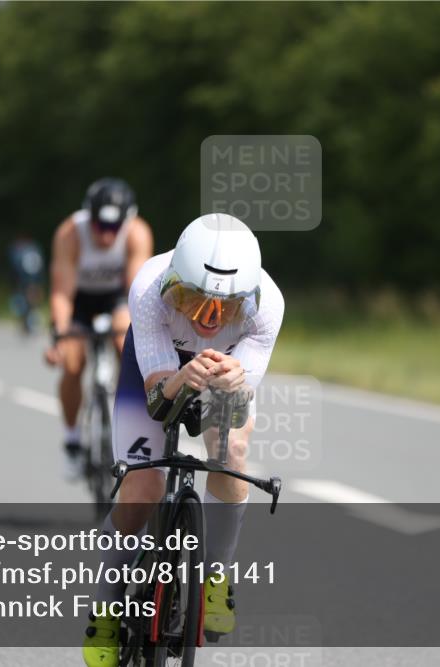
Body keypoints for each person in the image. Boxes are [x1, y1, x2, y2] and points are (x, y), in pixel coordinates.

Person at [82, 213, 284, 667]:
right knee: (143, 487)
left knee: (230, 451)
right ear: (175, 282)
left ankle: (215, 576)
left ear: (248, 298)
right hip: (156, 373)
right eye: (192, 299)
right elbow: (157, 400)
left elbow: (243, 391)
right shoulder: (149, 287)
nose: (208, 319)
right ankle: (107, 607)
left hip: (221, 371)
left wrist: (234, 381)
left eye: (227, 307)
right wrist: (178, 380)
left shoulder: (269, 304)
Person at [44, 178, 153, 480]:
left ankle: (127, 421)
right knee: (72, 361)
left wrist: (140, 339)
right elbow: (62, 292)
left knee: (125, 342)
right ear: (88, 216)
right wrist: (60, 335)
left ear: (127, 220)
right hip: (79, 299)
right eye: (99, 226)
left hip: (117, 297)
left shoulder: (137, 233)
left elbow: (136, 291)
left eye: (113, 228)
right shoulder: (70, 233)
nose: (105, 236)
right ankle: (72, 441)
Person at [8, 236, 45, 335]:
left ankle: (28, 321)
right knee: (30, 300)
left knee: (26, 300)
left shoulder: (20, 251)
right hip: (33, 278)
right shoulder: (35, 249)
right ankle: (28, 321)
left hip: (25, 279)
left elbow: (15, 267)